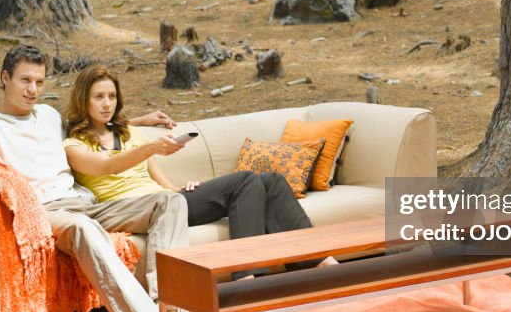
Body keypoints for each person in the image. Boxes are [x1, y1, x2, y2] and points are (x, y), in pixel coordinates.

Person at [0, 45, 209, 312]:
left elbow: (88, 125)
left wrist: (140, 121)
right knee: (84, 228)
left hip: (82, 202)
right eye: (25, 80)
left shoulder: (48, 116)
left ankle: (171, 305)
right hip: (45, 212)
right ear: (5, 78)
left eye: (40, 82)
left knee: (170, 201)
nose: (33, 90)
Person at [62, 65, 337, 277]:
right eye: (98, 97)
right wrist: (151, 148)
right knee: (245, 181)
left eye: (111, 96)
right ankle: (247, 278)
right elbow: (108, 165)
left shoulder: (130, 133)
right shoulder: (73, 146)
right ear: (83, 100)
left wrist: (187, 188)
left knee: (272, 181)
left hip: (169, 202)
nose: (107, 104)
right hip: (135, 211)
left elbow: (163, 186)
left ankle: (318, 262)